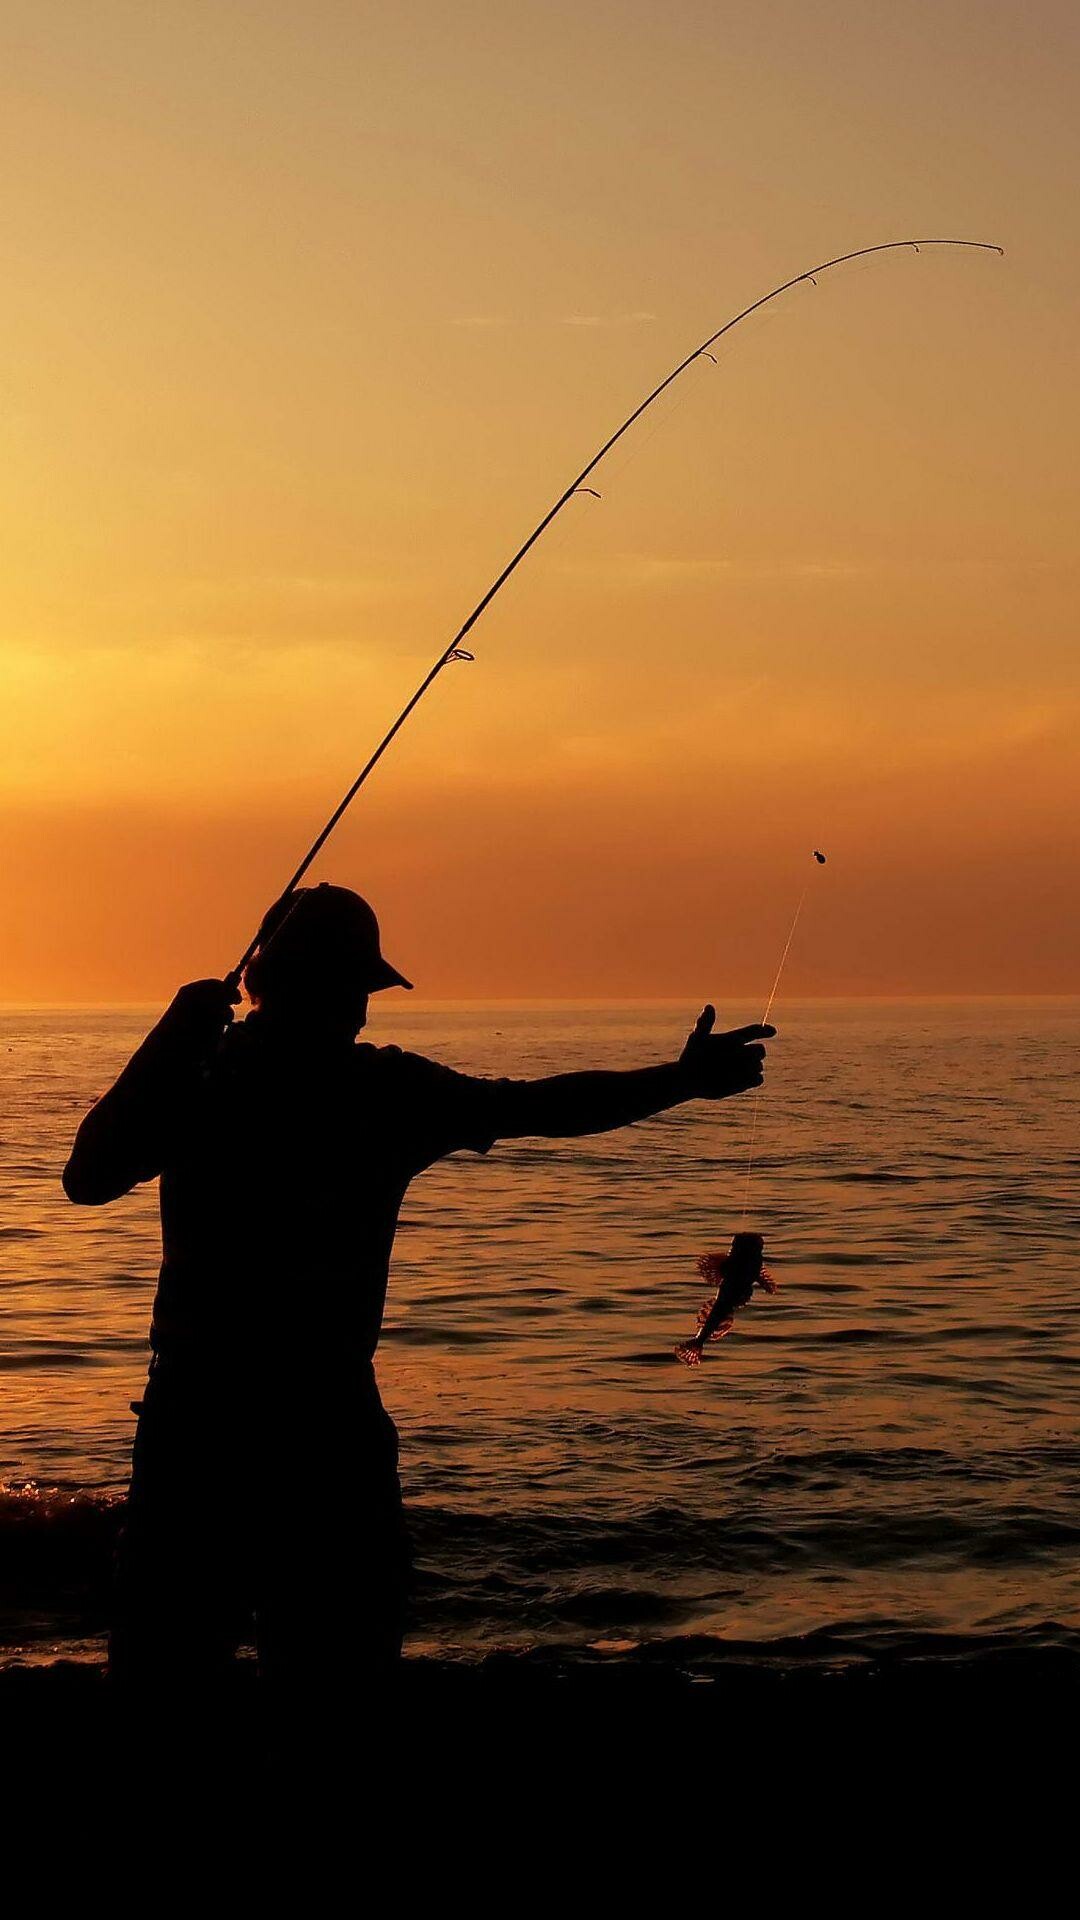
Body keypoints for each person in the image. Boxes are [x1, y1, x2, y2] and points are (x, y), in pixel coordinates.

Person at [63, 883, 774, 1718]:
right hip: (308, 1434)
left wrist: (167, 1043)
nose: (360, 1012)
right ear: (299, 983)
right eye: (351, 989)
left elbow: (89, 1174)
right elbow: (542, 1107)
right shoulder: (357, 1091)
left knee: (173, 1689)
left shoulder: (211, 1080)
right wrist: (680, 1082)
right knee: (326, 1689)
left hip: (207, 1428)